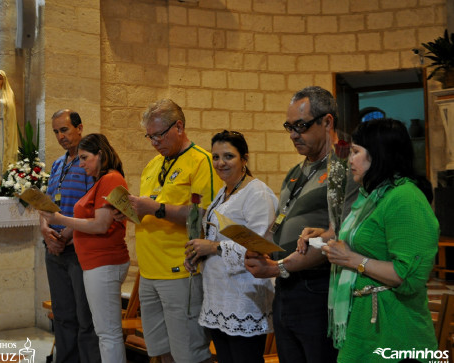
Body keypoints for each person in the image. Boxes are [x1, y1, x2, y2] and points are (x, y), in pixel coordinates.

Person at [245, 86, 358, 363]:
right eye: (289, 126)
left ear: (327, 122)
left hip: (319, 287)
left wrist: (276, 266)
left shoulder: (345, 167)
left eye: (301, 126)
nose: (294, 134)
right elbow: (280, 221)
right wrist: (260, 249)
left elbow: (341, 237)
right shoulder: (296, 171)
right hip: (286, 286)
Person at [322, 118, 439, 362]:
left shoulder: (405, 197)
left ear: (378, 154)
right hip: (365, 325)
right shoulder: (374, 195)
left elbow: (408, 276)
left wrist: (353, 260)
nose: (349, 159)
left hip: (395, 328)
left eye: (355, 152)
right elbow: (362, 240)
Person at [128, 99, 221, 363]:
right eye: (150, 136)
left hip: (181, 272)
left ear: (178, 126)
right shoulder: (152, 165)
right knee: (159, 351)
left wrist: (156, 208)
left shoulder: (201, 161)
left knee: (189, 353)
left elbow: (203, 216)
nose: (154, 142)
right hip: (148, 273)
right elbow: (149, 209)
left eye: (158, 134)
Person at [184, 130, 277, 363]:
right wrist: (198, 254)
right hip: (218, 295)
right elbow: (216, 236)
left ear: (244, 158)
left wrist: (212, 248)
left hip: (243, 296)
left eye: (228, 156)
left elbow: (258, 245)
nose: (220, 163)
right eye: (215, 157)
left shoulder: (257, 192)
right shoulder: (222, 193)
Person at [40, 133, 130, 363]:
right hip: (95, 262)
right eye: (79, 159)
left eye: (85, 158)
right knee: (104, 332)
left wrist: (61, 218)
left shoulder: (110, 179)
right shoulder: (102, 180)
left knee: (107, 334)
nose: (81, 164)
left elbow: (101, 225)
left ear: (101, 154)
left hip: (104, 262)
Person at [39, 109, 100, 363]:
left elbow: (92, 207)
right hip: (55, 250)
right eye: (56, 132)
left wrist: (66, 235)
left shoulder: (89, 163)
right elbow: (48, 205)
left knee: (85, 318)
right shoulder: (56, 164)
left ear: (79, 128)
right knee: (63, 315)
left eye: (64, 130)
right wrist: (44, 228)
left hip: (79, 250)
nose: (60, 136)